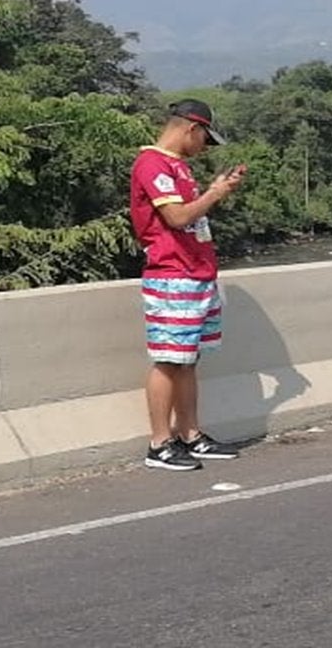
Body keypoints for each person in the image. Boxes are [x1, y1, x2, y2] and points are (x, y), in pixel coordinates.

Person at [129, 99, 246, 471]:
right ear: (190, 129)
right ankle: (160, 443)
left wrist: (214, 190)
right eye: (205, 141)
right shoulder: (152, 164)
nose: (204, 149)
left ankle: (191, 434)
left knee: (187, 360)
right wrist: (214, 194)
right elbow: (176, 217)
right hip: (172, 275)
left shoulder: (178, 167)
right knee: (167, 359)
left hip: (196, 274)